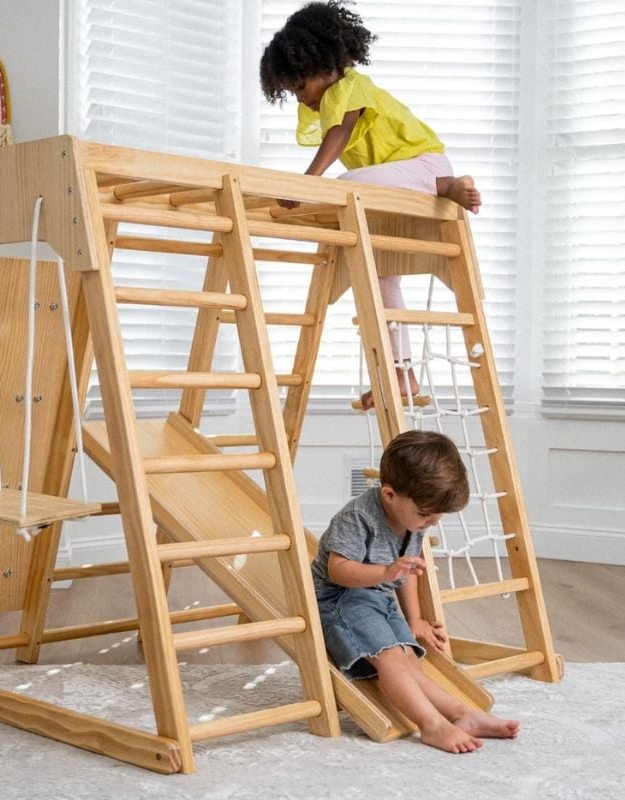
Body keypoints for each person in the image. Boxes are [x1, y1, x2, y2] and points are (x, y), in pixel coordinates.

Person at [260, 1, 482, 409]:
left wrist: (310, 183)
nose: (300, 100)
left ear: (323, 68)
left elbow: (339, 135)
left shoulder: (351, 87)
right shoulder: (333, 95)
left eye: (300, 88)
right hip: (392, 192)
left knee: (345, 185)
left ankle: (448, 184)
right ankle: (402, 375)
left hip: (422, 169)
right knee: (381, 280)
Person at [311, 430, 519, 753]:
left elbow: (409, 572)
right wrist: (385, 572)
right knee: (392, 658)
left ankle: (462, 714)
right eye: (424, 514)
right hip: (341, 599)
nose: (430, 523)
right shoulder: (357, 518)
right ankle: (431, 725)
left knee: (409, 659)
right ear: (390, 495)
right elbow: (337, 570)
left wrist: (416, 619)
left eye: (436, 518)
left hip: (376, 598)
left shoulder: (413, 522)